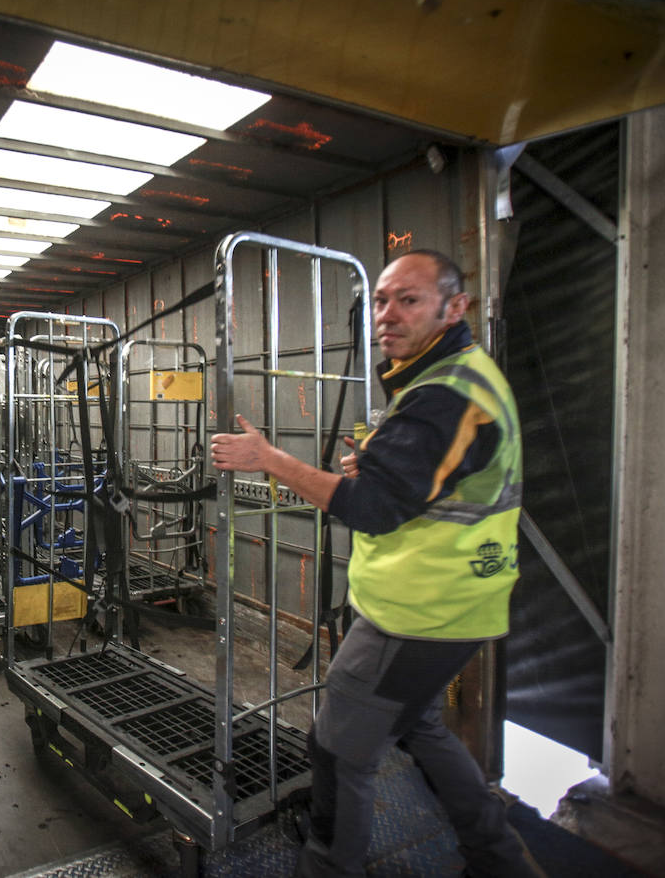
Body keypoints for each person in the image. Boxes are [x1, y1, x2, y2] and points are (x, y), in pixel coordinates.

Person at [209, 249, 541, 878]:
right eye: (381, 301)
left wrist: (267, 458)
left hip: (416, 615)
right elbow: (427, 484)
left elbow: (373, 509)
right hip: (455, 604)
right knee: (420, 728)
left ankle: (331, 866)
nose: (387, 315)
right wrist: (383, 471)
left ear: (455, 307)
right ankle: (498, 859)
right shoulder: (450, 377)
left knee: (338, 751)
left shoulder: (443, 395)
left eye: (408, 300)